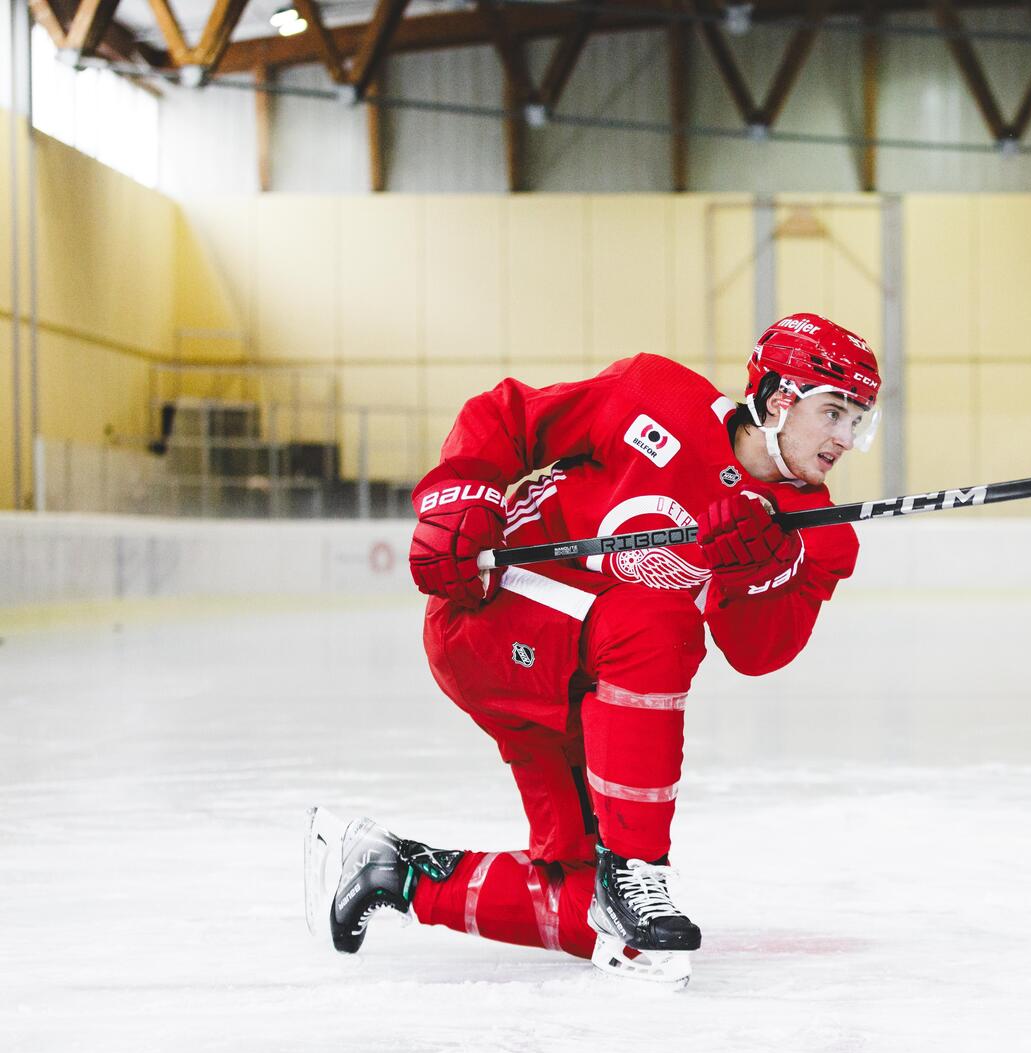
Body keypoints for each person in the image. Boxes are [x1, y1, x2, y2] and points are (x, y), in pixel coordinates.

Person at [303, 314, 881, 989]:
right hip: (492, 619)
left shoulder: (818, 533)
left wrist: (760, 573)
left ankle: (389, 870)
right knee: (659, 621)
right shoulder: (653, 395)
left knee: (595, 919)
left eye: (857, 420)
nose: (845, 439)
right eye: (833, 412)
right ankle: (637, 869)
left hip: (582, 692)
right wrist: (458, 501)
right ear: (780, 398)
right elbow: (507, 417)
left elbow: (757, 653)